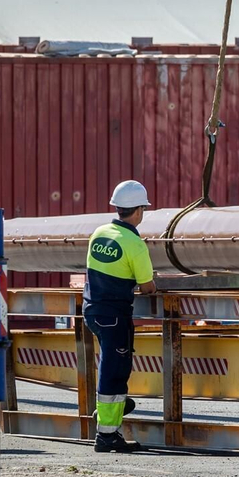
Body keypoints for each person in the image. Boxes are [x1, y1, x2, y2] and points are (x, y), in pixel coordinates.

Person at [84, 180, 157, 454]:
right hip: (114, 316)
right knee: (114, 372)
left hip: (92, 311)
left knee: (112, 369)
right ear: (139, 211)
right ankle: (106, 434)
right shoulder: (134, 244)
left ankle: (110, 413)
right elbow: (148, 286)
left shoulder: (99, 233)